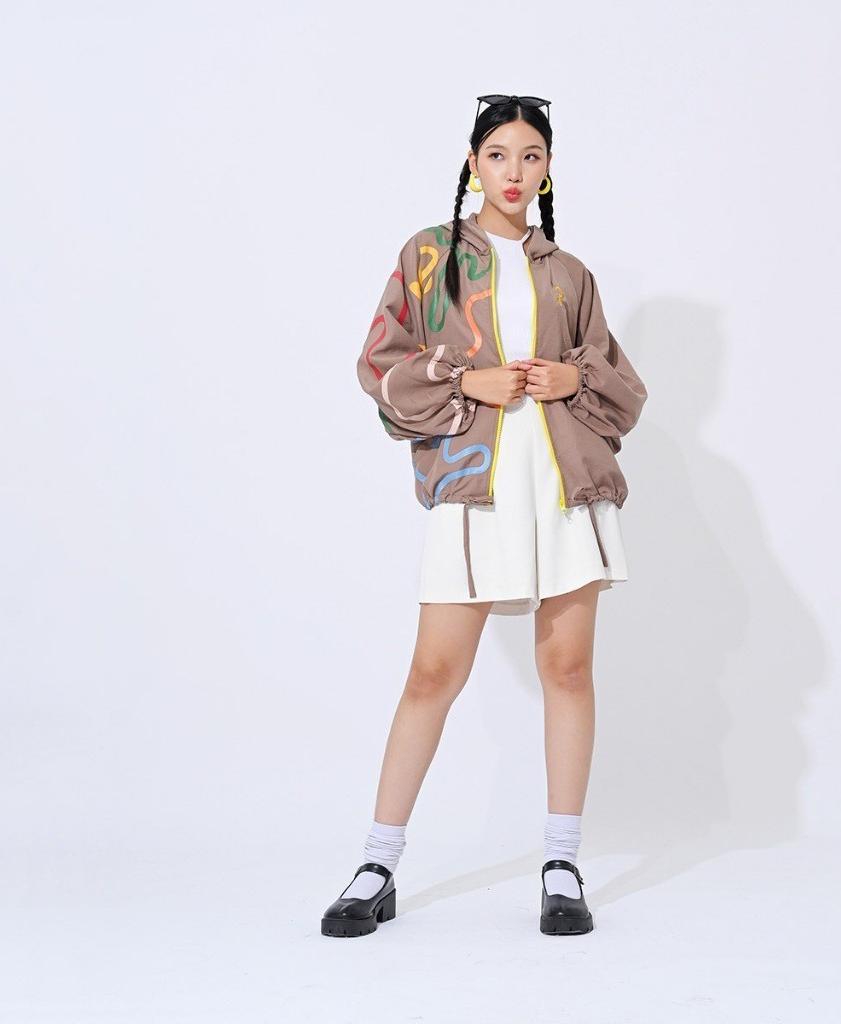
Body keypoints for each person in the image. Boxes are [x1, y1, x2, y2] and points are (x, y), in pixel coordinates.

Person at [322, 94, 648, 938]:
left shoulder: (569, 273)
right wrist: (468, 381)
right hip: (477, 484)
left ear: (548, 170)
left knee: (567, 669)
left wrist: (573, 379)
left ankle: (562, 862)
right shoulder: (430, 256)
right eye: (499, 154)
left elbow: (622, 388)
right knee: (433, 673)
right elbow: (379, 363)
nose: (514, 171)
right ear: (473, 164)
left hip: (564, 486)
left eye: (531, 156)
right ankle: (376, 864)